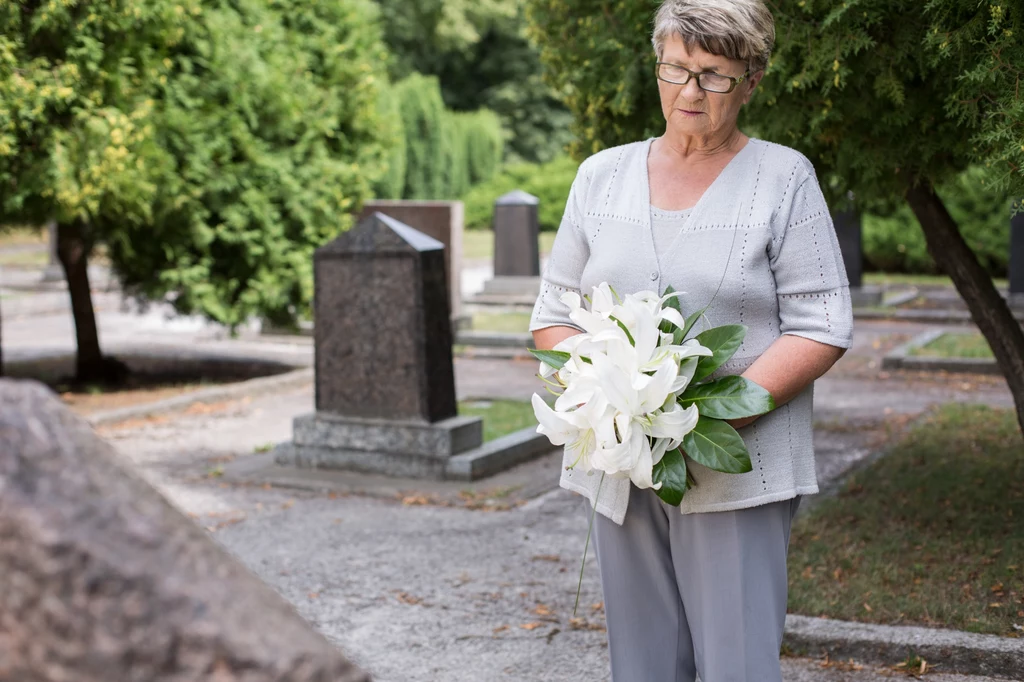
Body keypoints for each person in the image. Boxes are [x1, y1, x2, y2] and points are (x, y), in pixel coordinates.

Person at [529, 1, 854, 679]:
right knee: (643, 663)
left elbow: (821, 321)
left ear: (753, 79)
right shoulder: (601, 177)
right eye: (675, 69)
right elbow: (554, 310)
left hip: (735, 467)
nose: (689, 92)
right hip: (621, 465)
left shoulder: (782, 178)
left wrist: (707, 420)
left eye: (713, 76)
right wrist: (612, 406)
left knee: (736, 663)